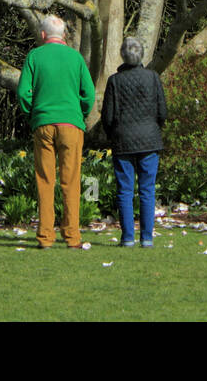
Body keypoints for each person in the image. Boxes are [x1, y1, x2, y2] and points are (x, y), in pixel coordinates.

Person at [17, 14, 96, 249]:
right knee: (70, 181)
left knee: (45, 180)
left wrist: (32, 114)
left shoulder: (34, 56)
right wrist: (79, 113)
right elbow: (89, 95)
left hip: (43, 123)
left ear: (42, 35)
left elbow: (23, 93)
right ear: (64, 35)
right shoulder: (76, 57)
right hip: (71, 124)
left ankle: (45, 236)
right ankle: (72, 236)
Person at [101, 37, 167, 248]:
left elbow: (108, 117)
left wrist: (112, 134)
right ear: (142, 54)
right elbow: (162, 112)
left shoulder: (114, 81)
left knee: (125, 190)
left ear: (122, 54)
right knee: (147, 190)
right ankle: (147, 238)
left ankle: (128, 237)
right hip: (149, 140)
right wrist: (155, 128)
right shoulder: (153, 77)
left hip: (123, 140)